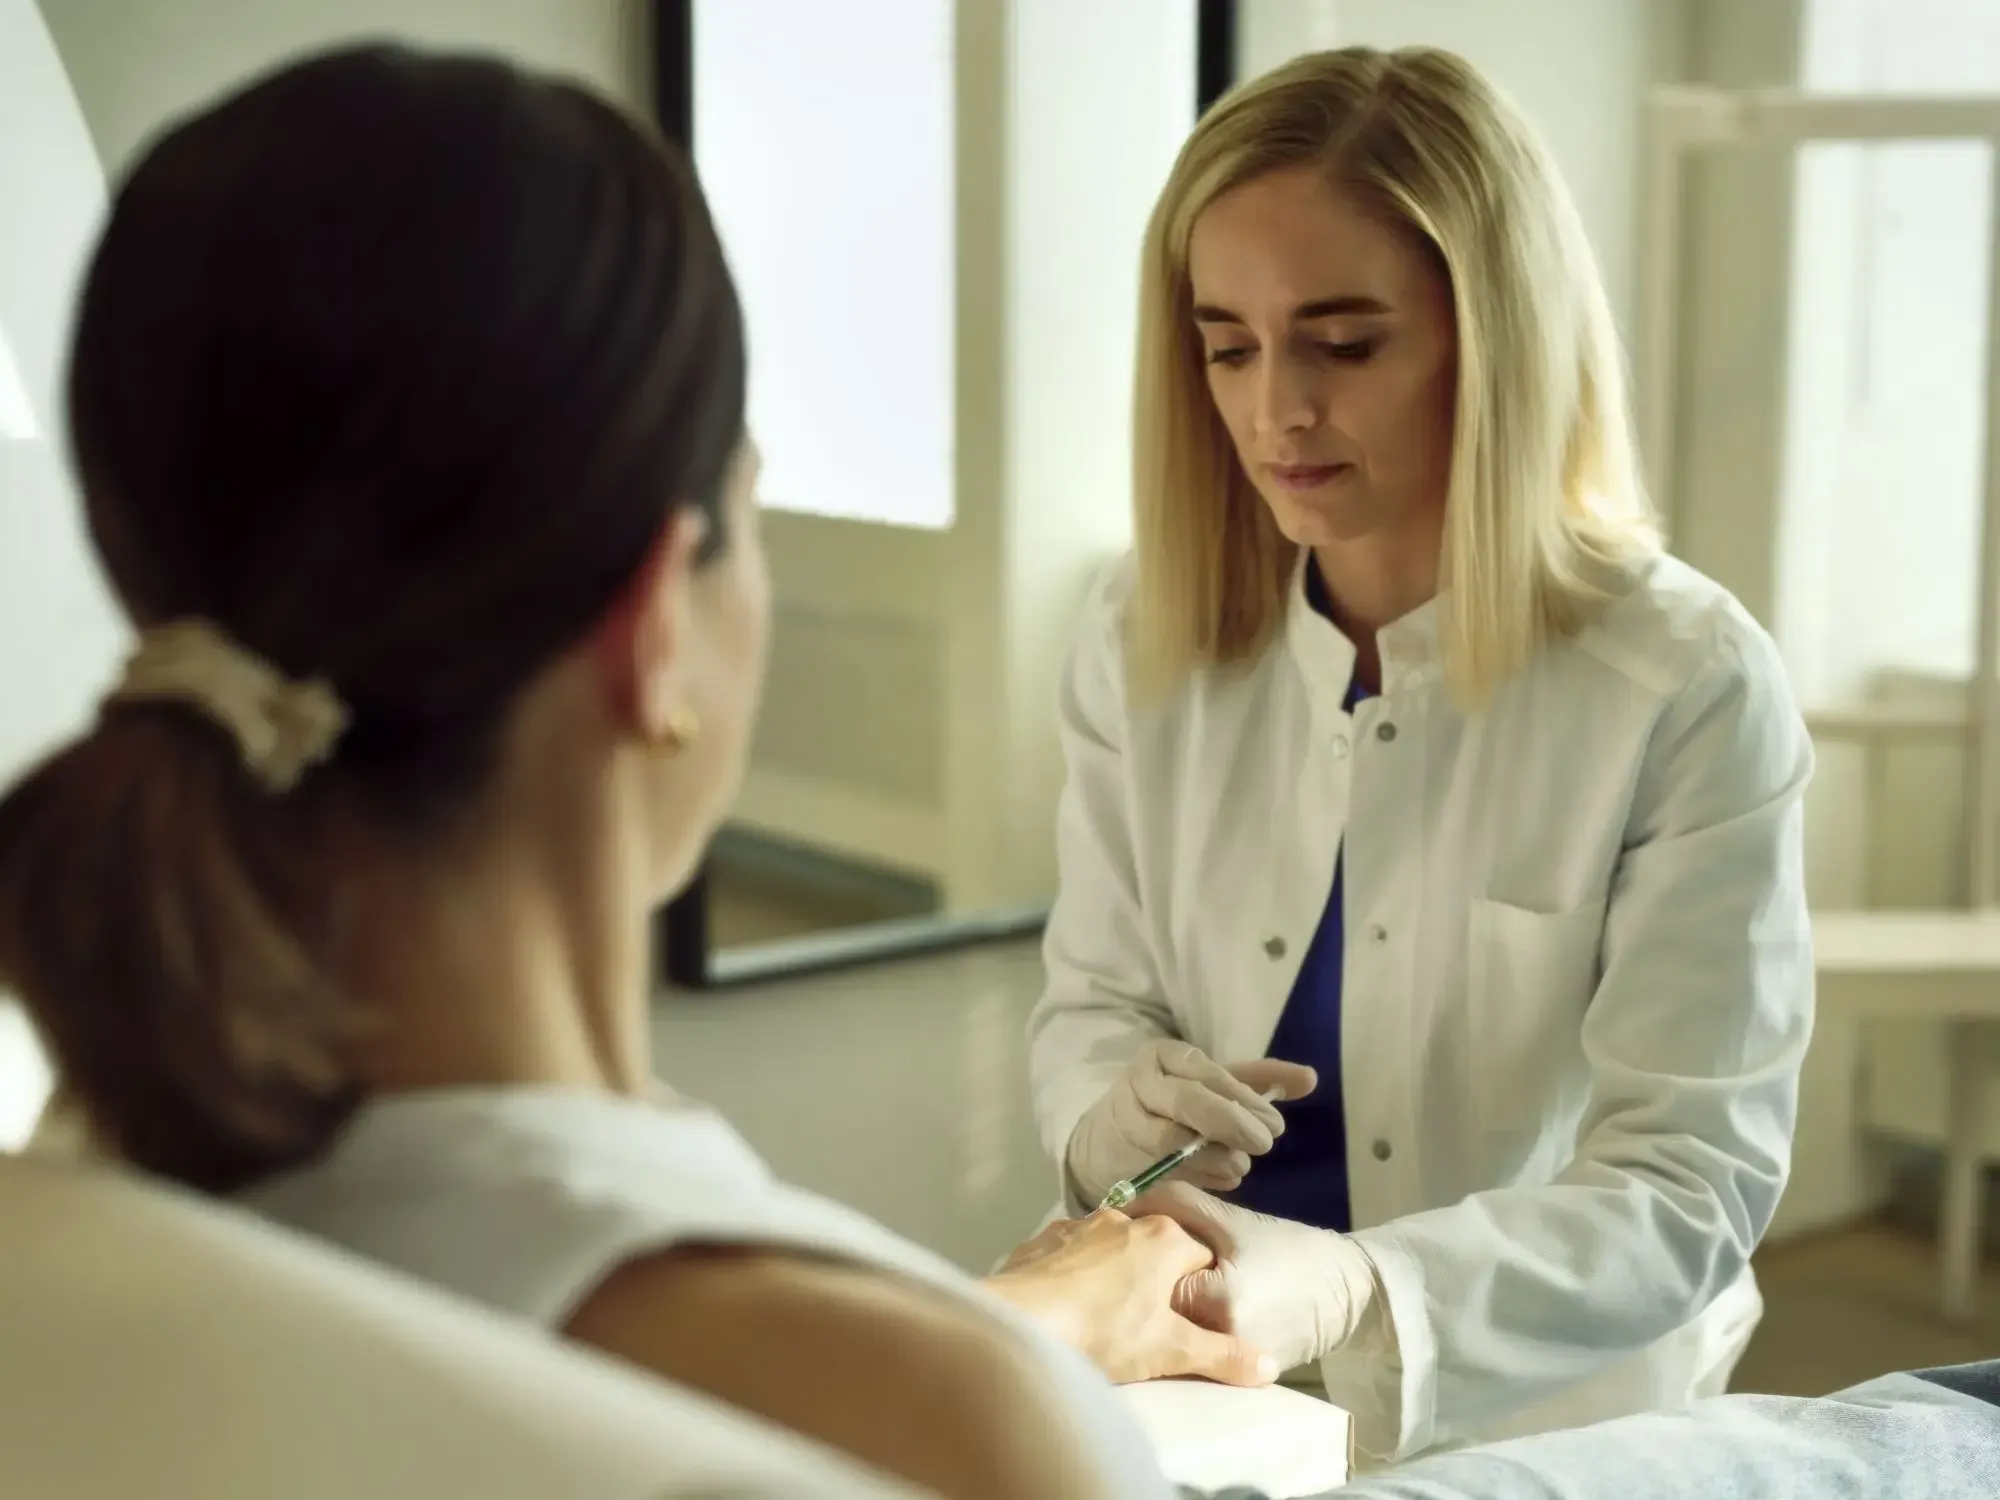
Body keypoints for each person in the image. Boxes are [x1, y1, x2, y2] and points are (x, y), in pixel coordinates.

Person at [0, 44, 1268, 1500]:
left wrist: (988, 1325)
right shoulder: (973, 1440)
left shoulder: (82, 1236)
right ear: (655, 619)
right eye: (750, 499)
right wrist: (967, 1361)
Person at [1029, 44, 1816, 1463]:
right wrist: (1112, 1108)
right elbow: (1090, 997)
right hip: (1204, 1381)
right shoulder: (1137, 631)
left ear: (1492, 338)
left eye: (1345, 342)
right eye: (1229, 344)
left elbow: (1685, 1184)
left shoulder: (1684, 683)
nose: (1278, 409)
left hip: (1541, 1412)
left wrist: (1351, 1286)